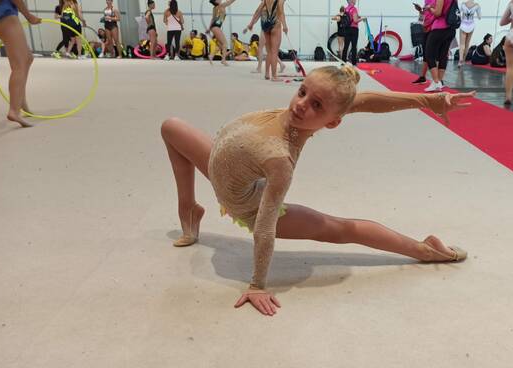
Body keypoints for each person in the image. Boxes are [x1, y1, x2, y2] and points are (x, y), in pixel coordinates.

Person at [160, 65, 474, 316]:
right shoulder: (315, 110)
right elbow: (365, 101)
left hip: (248, 206)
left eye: (315, 105)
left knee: (340, 229)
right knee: (171, 126)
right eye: (302, 92)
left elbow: (266, 228)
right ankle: (189, 208)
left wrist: (257, 284)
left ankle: (423, 249)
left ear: (333, 122)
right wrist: (428, 100)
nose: (301, 105)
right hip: (220, 165)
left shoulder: (279, 158)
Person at [0, 0, 40, 127]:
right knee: (19, 65)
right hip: (4, 14)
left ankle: (21, 103)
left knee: (27, 58)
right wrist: (28, 15)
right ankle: (14, 110)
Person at [247, 0, 288, 81]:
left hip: (265, 25)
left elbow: (257, 12)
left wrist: (251, 23)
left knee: (269, 51)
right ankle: (274, 76)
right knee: (274, 52)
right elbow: (281, 12)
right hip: (275, 24)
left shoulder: (265, 0)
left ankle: (266, 74)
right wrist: (285, 26)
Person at [423, 0, 457, 92]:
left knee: (429, 54)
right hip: (451, 29)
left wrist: (429, 8)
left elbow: (438, 13)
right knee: (443, 55)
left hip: (439, 28)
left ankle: (436, 81)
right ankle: (437, 83)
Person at [412, 0, 436, 84]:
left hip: (434, 28)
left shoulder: (437, 1)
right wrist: (420, 11)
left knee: (431, 55)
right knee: (426, 54)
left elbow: (438, 14)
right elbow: (422, 17)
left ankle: (438, 80)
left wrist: (429, 9)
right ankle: (423, 77)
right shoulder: (427, 1)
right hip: (426, 28)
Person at [207, 0, 236, 65]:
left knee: (220, 45)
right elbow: (231, 1)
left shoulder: (214, 8)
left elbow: (213, 19)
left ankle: (211, 56)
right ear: (216, 1)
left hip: (214, 27)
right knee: (225, 43)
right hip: (216, 27)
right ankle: (223, 60)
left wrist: (209, 28)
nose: (220, 0)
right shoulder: (222, 5)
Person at [341, 0, 365, 66]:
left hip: (346, 29)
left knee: (346, 46)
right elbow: (355, 21)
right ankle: (354, 63)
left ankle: (343, 61)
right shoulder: (354, 9)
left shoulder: (346, 9)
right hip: (354, 29)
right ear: (351, 1)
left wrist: (357, 17)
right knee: (354, 46)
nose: (355, 1)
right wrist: (362, 18)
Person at [458, 0, 481, 67]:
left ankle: (460, 60)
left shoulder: (463, 4)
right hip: (471, 25)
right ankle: (464, 60)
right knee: (467, 44)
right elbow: (479, 17)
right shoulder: (477, 5)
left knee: (462, 44)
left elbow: (458, 13)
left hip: (463, 24)